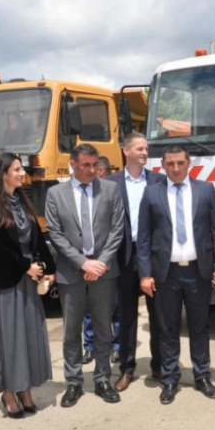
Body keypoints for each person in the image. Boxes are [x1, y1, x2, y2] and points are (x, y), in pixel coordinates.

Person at [137, 145, 215, 405]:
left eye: (180, 163)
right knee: (167, 328)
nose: (175, 168)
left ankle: (202, 376)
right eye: (170, 164)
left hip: (199, 271)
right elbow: (144, 237)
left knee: (200, 326)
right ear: (162, 165)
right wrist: (145, 274)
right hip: (166, 274)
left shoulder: (205, 190)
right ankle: (169, 379)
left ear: (189, 163)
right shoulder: (152, 193)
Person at [45, 144, 125, 407]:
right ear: (73, 165)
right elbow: (55, 234)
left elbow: (117, 229)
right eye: (86, 165)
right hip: (71, 273)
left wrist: (100, 263)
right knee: (71, 330)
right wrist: (83, 263)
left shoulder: (110, 189)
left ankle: (102, 379)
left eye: (95, 164)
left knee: (103, 327)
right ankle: (74, 382)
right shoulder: (55, 194)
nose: (92, 170)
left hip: (104, 271)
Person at [0, 153, 57, 417]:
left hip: (29, 280)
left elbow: (37, 238)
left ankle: (25, 389)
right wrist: (26, 266)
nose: (22, 173)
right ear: (2, 173)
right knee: (10, 339)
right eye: (16, 169)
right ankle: (8, 392)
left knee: (28, 336)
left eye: (21, 169)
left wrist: (50, 269)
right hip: (8, 281)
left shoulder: (23, 200)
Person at [106, 132, 166, 391]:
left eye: (146, 148)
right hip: (125, 256)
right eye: (139, 148)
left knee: (159, 314)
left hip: (154, 256)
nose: (144, 152)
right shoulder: (110, 184)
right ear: (126, 150)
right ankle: (127, 369)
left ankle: (159, 365)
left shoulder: (158, 180)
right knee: (127, 315)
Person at [82, 155, 121, 366]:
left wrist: (104, 260)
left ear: (101, 172)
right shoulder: (82, 195)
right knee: (88, 308)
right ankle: (89, 346)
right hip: (86, 263)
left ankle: (117, 346)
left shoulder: (112, 195)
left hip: (109, 262)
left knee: (115, 308)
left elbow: (117, 230)